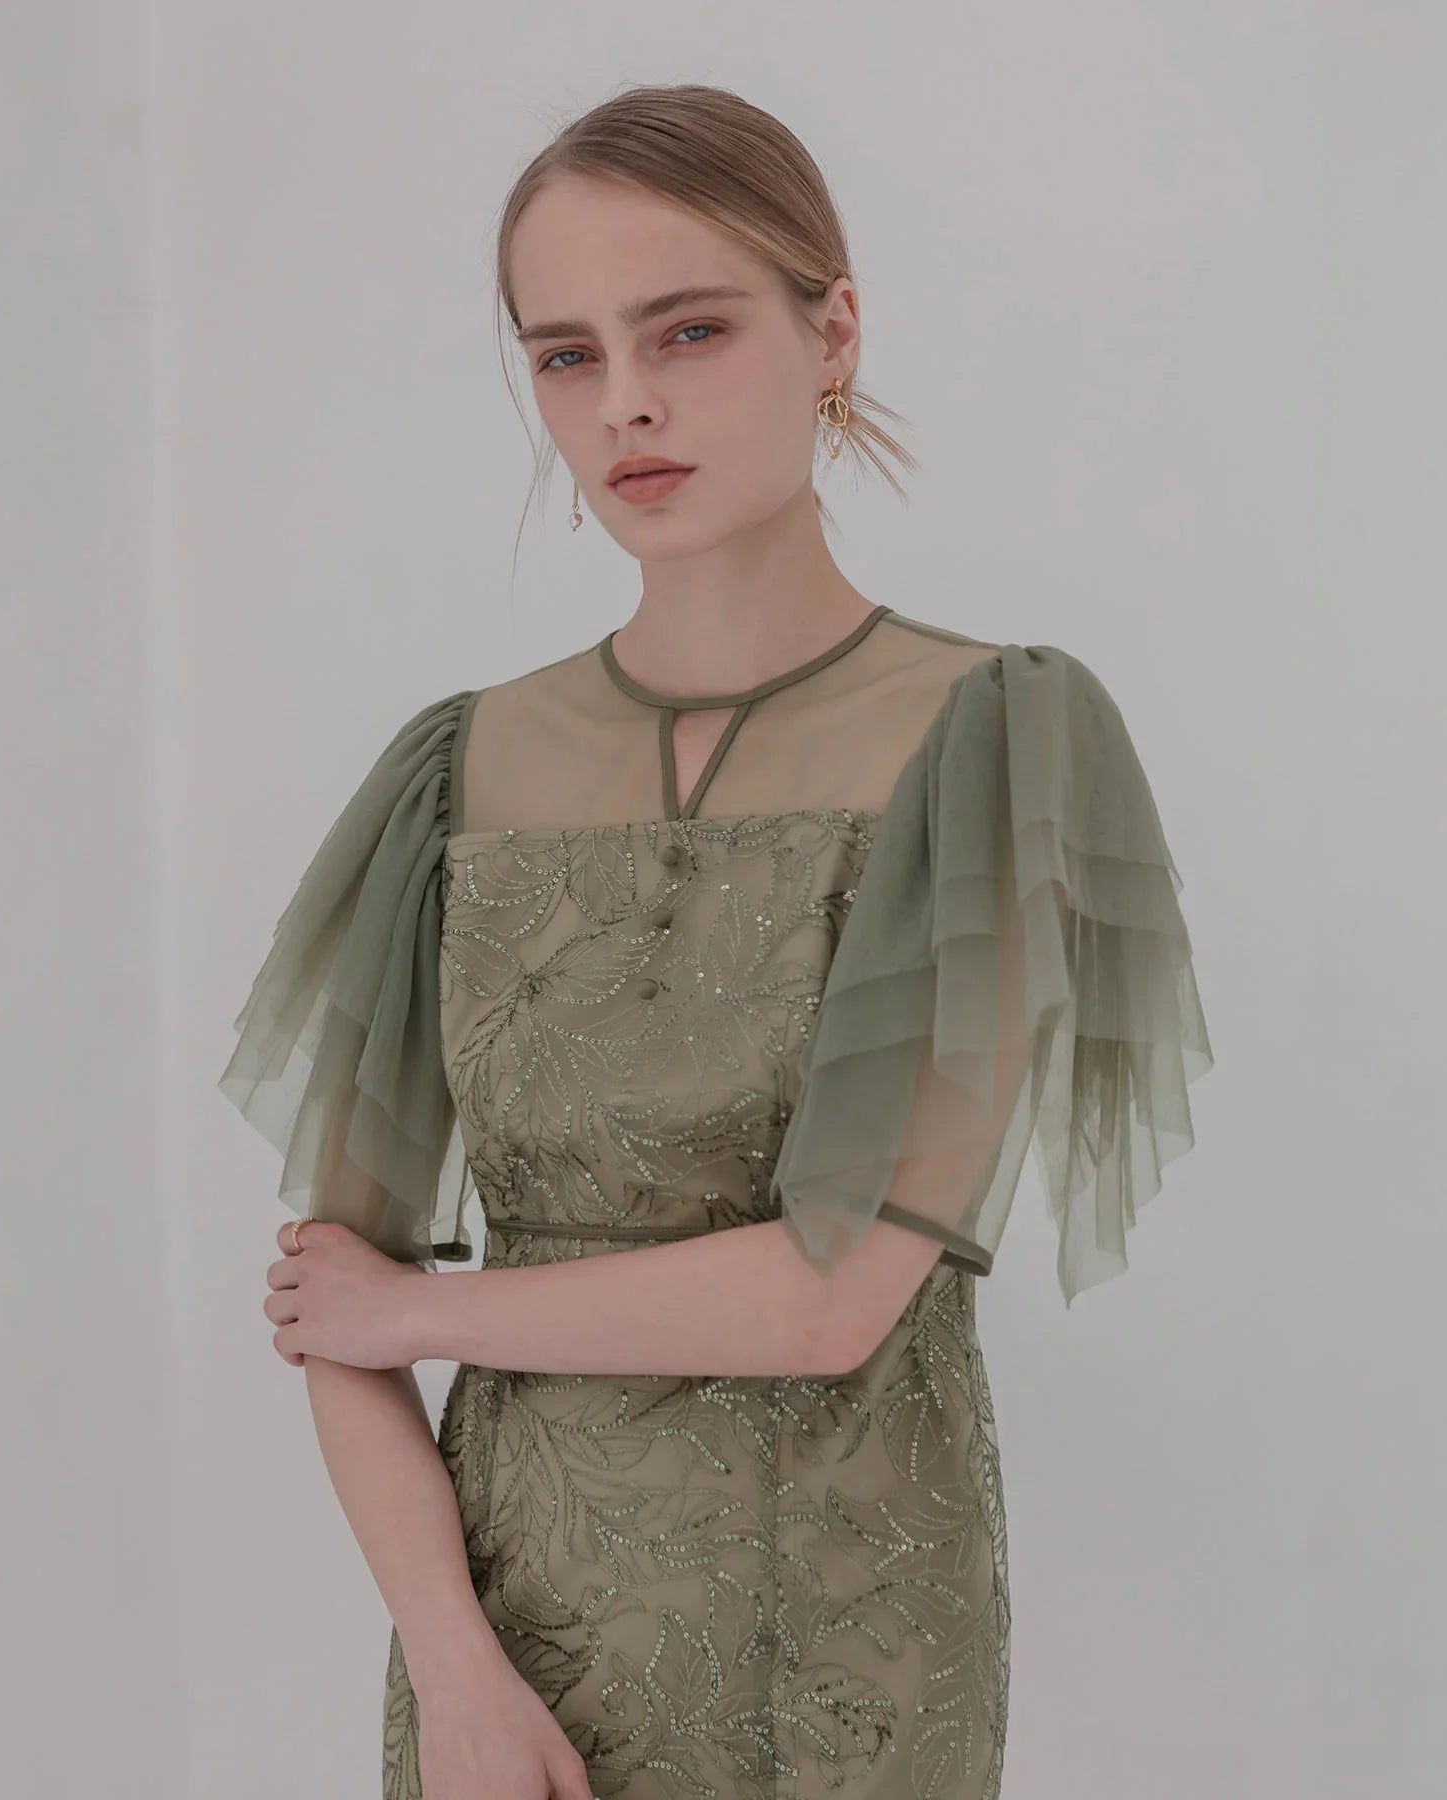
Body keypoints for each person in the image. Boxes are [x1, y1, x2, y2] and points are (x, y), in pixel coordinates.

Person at [218, 82, 1214, 1800]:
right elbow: (335, 1312)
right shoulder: (453, 771)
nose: (627, 402)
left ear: (835, 329)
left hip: (848, 1629)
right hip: (506, 1648)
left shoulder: (993, 741)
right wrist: (452, 1670)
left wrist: (421, 1310)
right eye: (567, 355)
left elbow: (834, 1301)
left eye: (688, 328)